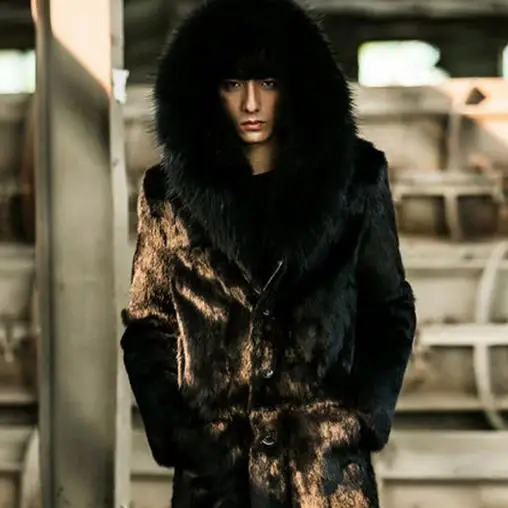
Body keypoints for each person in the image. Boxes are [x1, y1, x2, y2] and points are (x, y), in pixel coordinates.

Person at [120, 0, 417, 506]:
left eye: (269, 83)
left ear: (297, 87)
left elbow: (389, 309)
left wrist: (360, 418)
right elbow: (149, 327)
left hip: (324, 478)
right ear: (204, 90)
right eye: (233, 84)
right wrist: (182, 437)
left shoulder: (356, 183)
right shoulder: (168, 197)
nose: (251, 103)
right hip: (218, 480)